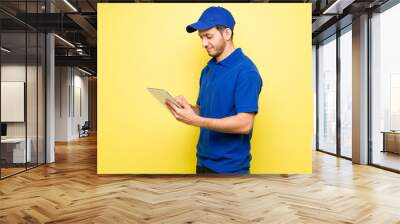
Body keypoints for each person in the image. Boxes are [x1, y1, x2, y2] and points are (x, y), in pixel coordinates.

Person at [165, 6, 263, 174]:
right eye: (201, 37)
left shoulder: (246, 71)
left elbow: (245, 123)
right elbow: (206, 111)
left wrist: (195, 121)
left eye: (208, 36)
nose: (204, 43)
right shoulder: (207, 70)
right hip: (202, 163)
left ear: (227, 33)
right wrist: (187, 109)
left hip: (231, 169)